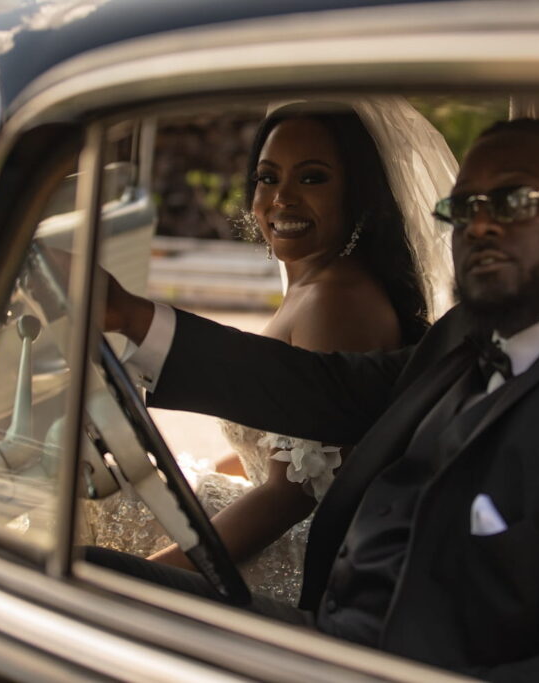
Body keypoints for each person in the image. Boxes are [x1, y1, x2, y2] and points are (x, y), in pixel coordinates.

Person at [91, 118, 539, 682]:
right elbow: (325, 391)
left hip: (385, 663)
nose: (477, 226)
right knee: (82, 571)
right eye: (466, 206)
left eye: (513, 203)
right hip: (334, 622)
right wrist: (131, 316)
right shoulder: (472, 329)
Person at [85, 98, 457, 605]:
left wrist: (150, 578)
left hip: (298, 562)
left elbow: (290, 496)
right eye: (267, 177)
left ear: (359, 195)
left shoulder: (338, 299)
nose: (281, 198)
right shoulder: (318, 283)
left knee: (99, 520)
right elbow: (288, 454)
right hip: (279, 522)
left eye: (312, 178)